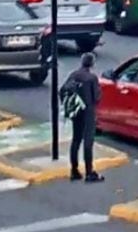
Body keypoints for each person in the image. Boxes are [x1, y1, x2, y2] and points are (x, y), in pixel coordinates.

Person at [61, 52, 104, 183]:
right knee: (88, 141)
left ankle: (74, 170)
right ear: (91, 63)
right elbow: (96, 97)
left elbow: (62, 90)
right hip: (88, 112)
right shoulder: (92, 78)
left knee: (76, 140)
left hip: (77, 112)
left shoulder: (73, 75)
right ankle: (89, 172)